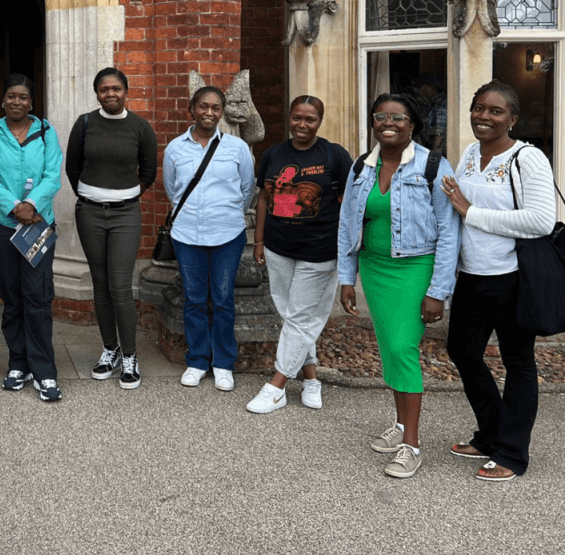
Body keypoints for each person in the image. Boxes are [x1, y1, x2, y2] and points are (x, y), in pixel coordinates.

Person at [338, 93, 459, 479]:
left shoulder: (433, 166)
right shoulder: (361, 166)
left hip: (414, 268)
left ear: (412, 124)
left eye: (398, 117)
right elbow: (347, 225)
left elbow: (449, 232)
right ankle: (401, 426)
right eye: (381, 116)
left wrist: (438, 290)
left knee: (401, 347)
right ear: (373, 122)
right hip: (374, 269)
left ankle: (413, 445)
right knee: (389, 348)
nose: (388, 123)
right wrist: (346, 277)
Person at [441, 80, 556, 482]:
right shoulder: (470, 153)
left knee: (518, 362)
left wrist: (471, 212)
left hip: (513, 278)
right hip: (471, 275)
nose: (484, 117)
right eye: (478, 108)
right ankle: (490, 434)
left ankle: (512, 452)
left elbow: (541, 220)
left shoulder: (528, 158)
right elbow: (454, 208)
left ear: (513, 118)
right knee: (463, 351)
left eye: (495, 111)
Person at [247, 95, 352, 413]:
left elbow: (349, 206)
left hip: (319, 252)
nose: (302, 124)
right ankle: (311, 378)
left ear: (320, 121)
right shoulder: (274, 154)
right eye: (297, 118)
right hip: (279, 249)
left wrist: (347, 255)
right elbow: (264, 199)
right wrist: (259, 241)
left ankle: (276, 386)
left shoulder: (335, 155)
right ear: (289, 118)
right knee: (294, 317)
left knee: (302, 318)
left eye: (310, 119)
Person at [65, 67, 157, 389]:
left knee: (120, 285)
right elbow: (72, 166)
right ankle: (110, 350)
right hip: (89, 213)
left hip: (125, 215)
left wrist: (123, 197)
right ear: (97, 94)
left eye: (116, 88)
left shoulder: (140, 127)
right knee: (100, 283)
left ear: (126, 91)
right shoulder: (85, 123)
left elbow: (148, 172)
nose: (110, 94)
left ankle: (130, 356)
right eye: (104, 89)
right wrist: (92, 196)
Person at [0, 74, 64, 402]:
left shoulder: (46, 131)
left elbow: (52, 175)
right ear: (3, 100)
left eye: (23, 97)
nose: (17, 101)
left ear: (31, 101)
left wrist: (32, 204)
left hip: (38, 224)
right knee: (12, 296)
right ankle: (18, 363)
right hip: (2, 225)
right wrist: (15, 207)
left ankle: (44, 371)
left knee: (38, 296)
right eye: (11, 96)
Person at [163, 85, 255, 392]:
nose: (209, 112)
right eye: (203, 106)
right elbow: (172, 190)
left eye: (216, 108)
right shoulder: (175, 148)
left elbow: (246, 190)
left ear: (222, 112)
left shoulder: (237, 148)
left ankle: (223, 363)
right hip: (187, 234)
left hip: (228, 233)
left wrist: (226, 213)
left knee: (224, 298)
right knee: (194, 299)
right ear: (192, 109)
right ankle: (198, 360)